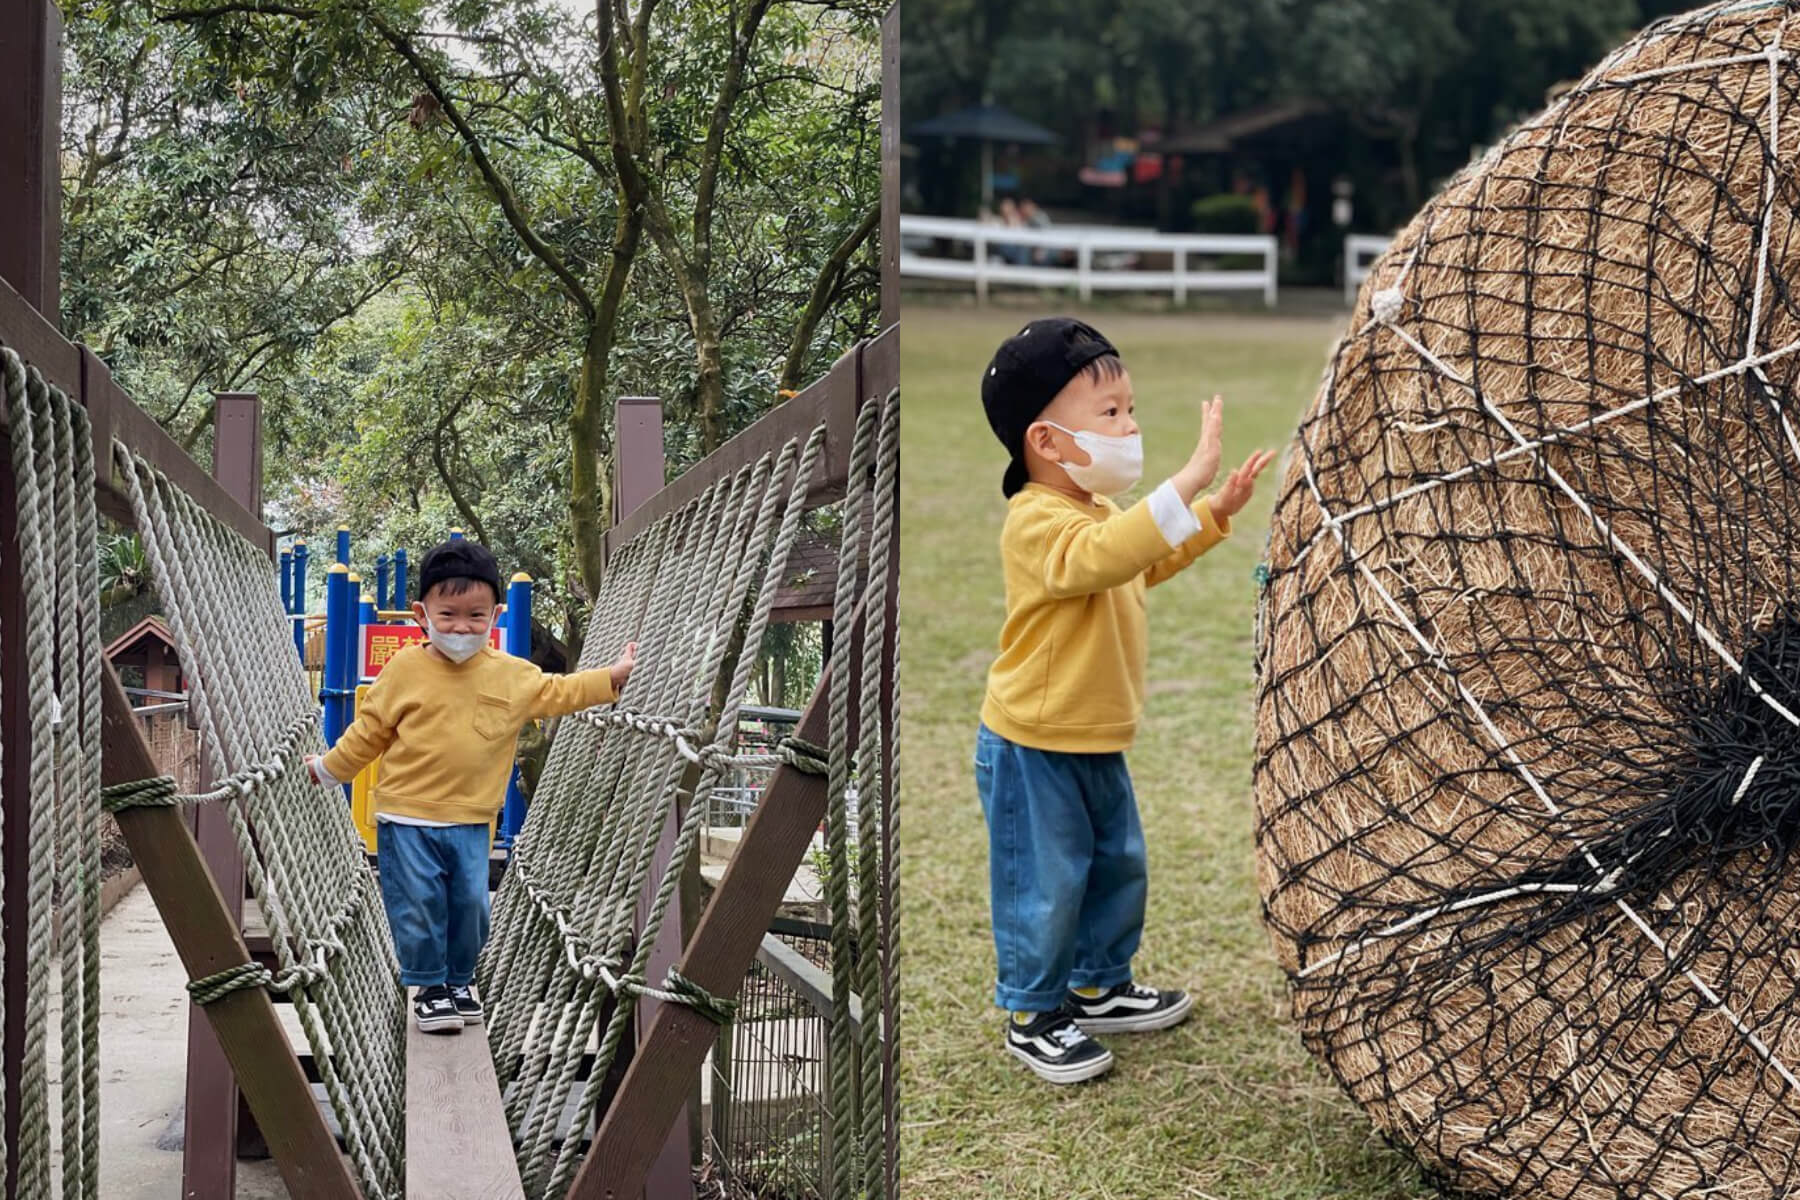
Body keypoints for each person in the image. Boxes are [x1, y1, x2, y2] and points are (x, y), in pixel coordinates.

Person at [975, 317, 1276, 1084]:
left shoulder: (1103, 514)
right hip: (1033, 743)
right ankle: (1034, 1012)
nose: (1131, 425)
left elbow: (1136, 565)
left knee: (1116, 866)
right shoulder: (1038, 523)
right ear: (1046, 441)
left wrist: (1211, 515)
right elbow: (1102, 559)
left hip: (1095, 734)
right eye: (1110, 415)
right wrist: (1186, 482)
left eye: (1130, 408)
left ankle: (1098, 984)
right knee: (1046, 883)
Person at [303, 539, 637, 1033]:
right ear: (422, 613)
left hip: (472, 819)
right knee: (417, 904)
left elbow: (558, 692)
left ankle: (460, 979)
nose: (462, 628)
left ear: (496, 614)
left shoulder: (512, 675)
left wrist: (611, 679)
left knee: (471, 906)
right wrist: (329, 769)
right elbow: (368, 732)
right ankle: (429, 986)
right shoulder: (404, 671)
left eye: (476, 616)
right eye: (449, 614)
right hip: (406, 817)